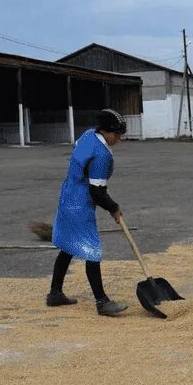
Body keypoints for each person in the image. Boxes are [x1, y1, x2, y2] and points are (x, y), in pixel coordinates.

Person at [46, 108, 129, 316]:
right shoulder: (101, 155)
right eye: (116, 134)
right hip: (80, 203)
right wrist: (114, 208)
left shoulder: (88, 136)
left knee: (68, 246)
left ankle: (55, 293)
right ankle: (102, 302)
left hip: (68, 195)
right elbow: (97, 191)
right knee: (92, 249)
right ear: (106, 131)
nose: (118, 139)